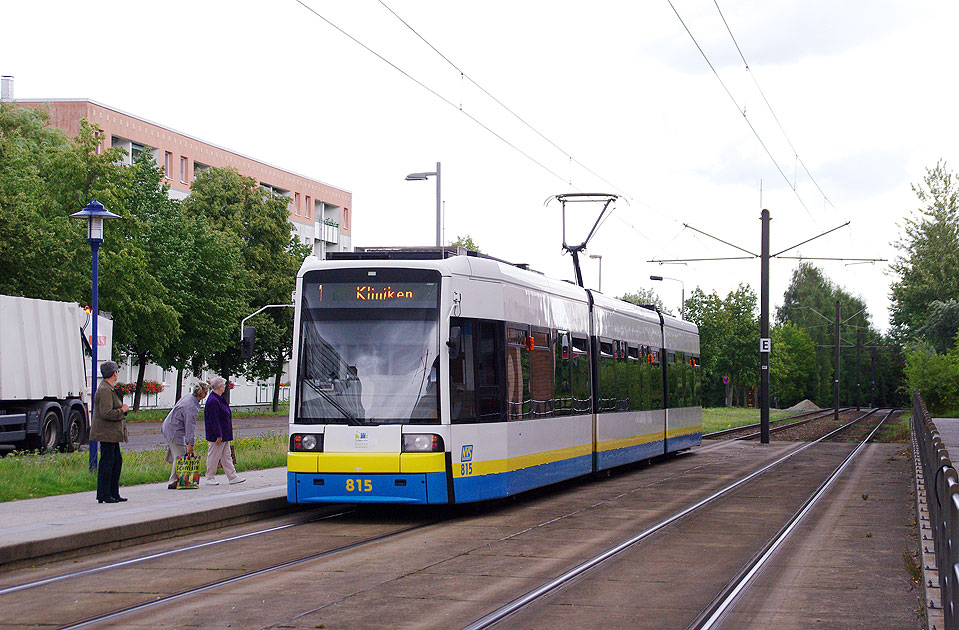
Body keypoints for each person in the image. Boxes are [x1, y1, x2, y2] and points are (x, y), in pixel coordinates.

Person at [89, 360, 129, 504]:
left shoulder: (109, 388)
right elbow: (106, 412)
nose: (117, 373)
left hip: (112, 434)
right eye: (117, 371)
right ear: (114, 373)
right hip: (107, 434)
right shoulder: (105, 389)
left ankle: (113, 492)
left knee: (116, 461)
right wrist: (122, 410)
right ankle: (105, 494)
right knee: (107, 463)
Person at [161, 382, 209, 489]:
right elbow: (190, 426)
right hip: (174, 430)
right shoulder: (191, 406)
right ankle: (174, 481)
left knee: (176, 453)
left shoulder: (189, 397)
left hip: (169, 426)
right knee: (180, 455)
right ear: (203, 394)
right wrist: (190, 444)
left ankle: (176, 476)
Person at [203, 377, 245, 486]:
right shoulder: (213, 400)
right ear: (220, 387)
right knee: (214, 455)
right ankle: (209, 477)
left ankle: (232, 476)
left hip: (224, 434)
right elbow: (214, 419)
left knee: (227, 456)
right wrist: (218, 434)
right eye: (224, 385)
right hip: (218, 435)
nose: (225, 387)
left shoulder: (219, 398)